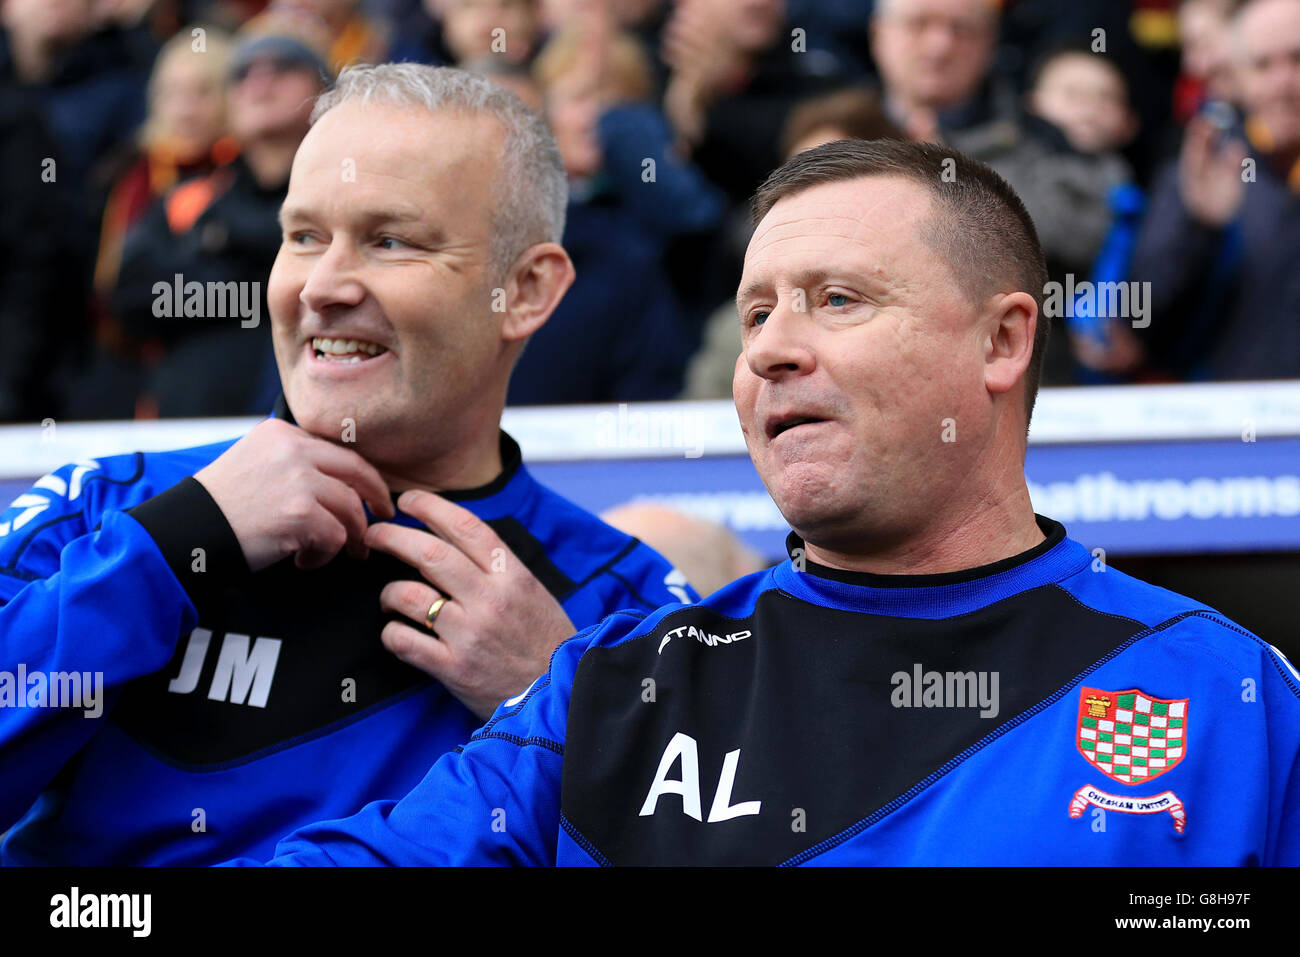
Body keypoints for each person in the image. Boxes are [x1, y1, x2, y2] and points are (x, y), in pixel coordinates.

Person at [238, 139, 1299, 866]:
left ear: (1002, 340)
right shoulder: (614, 690)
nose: (771, 351)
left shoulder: (1223, 697)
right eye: (754, 316)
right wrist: (163, 546)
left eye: (836, 300)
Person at [0, 63, 695, 866]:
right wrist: (172, 547)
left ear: (527, 289)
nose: (322, 287)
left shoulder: (627, 610)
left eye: (390, 240)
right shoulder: (112, 507)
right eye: (303, 237)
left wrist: (568, 705)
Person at [1130, 0, 1300, 381]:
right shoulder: (1199, 167)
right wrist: (1200, 228)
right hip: (1231, 427)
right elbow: (1140, 328)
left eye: (1298, 58)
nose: (1283, 83)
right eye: (1262, 65)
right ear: (1236, 76)